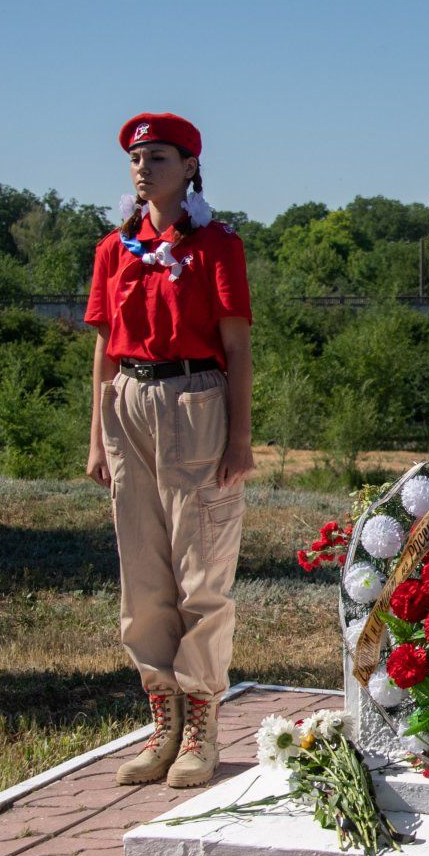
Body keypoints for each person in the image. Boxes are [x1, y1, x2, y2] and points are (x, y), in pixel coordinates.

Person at [84, 112, 254, 788]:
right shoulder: (114, 249)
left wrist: (240, 438)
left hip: (195, 400)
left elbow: (237, 346)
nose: (142, 168)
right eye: (136, 158)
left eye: (157, 157)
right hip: (127, 402)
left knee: (200, 568)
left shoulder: (217, 245)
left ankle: (202, 725)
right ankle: (164, 723)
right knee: (143, 572)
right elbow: (104, 345)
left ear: (189, 167)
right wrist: (96, 438)